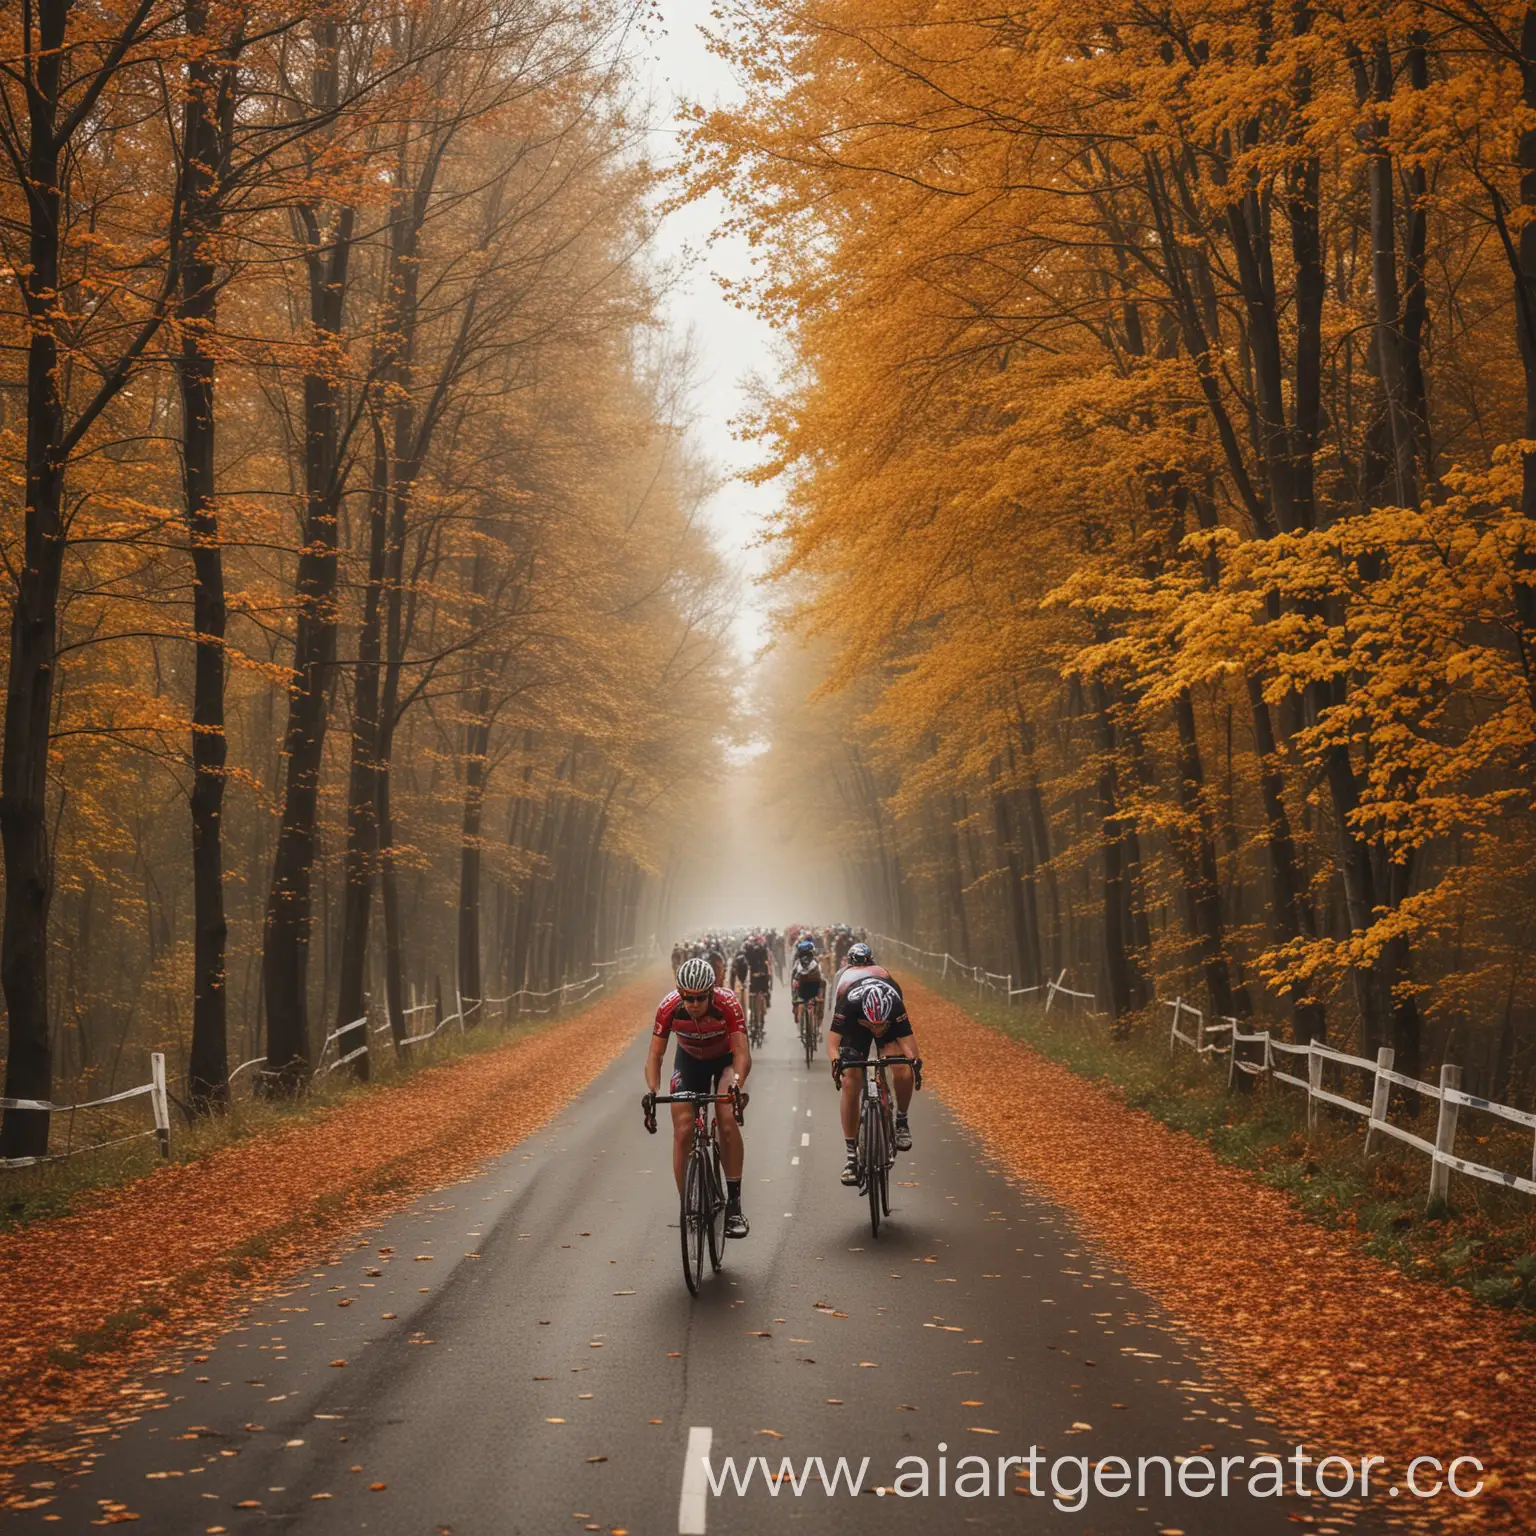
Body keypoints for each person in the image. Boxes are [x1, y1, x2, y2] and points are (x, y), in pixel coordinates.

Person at [645, 955, 751, 1238]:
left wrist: (737, 1084)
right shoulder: (669, 1007)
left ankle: (735, 1206)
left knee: (726, 1119)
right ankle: (687, 1205)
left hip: (725, 1059)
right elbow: (655, 1055)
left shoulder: (727, 1003)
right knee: (682, 1129)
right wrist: (652, 1091)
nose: (692, 1004)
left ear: (711, 993)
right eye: (687, 998)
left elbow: (742, 1052)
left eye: (699, 998)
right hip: (689, 1060)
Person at [827, 962, 920, 1184]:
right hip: (855, 1029)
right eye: (873, 1024)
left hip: (891, 1028)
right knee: (851, 1081)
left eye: (880, 1024)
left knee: (903, 1071)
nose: (876, 1028)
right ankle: (851, 1156)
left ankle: (902, 1121)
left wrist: (912, 1062)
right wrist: (837, 1063)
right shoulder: (848, 1004)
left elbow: (909, 1046)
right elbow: (832, 1044)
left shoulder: (895, 1003)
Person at [790, 936, 824, 1034]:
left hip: (801, 992)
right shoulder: (815, 963)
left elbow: (794, 982)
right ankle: (818, 1026)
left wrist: (794, 1001)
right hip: (814, 990)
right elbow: (821, 978)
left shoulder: (797, 964)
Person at [743, 931, 772, 1016]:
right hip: (761, 975)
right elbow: (766, 962)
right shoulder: (763, 949)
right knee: (764, 991)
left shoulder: (748, 950)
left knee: (753, 993)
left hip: (753, 976)